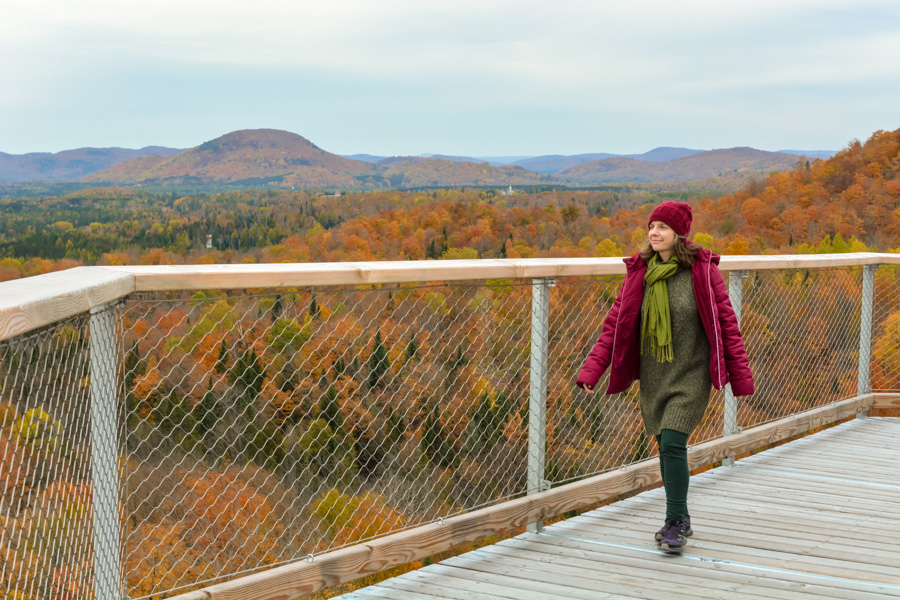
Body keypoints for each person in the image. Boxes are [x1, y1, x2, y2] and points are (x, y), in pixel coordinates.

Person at [576, 200, 754, 554]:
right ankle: (683, 514)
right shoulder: (639, 274)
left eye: (662, 228)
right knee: (666, 445)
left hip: (690, 373)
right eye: (651, 227)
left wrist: (741, 375)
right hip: (655, 375)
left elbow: (727, 325)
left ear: (679, 234)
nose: (654, 233)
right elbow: (615, 326)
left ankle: (674, 523)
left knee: (673, 441)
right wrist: (593, 369)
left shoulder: (703, 272)